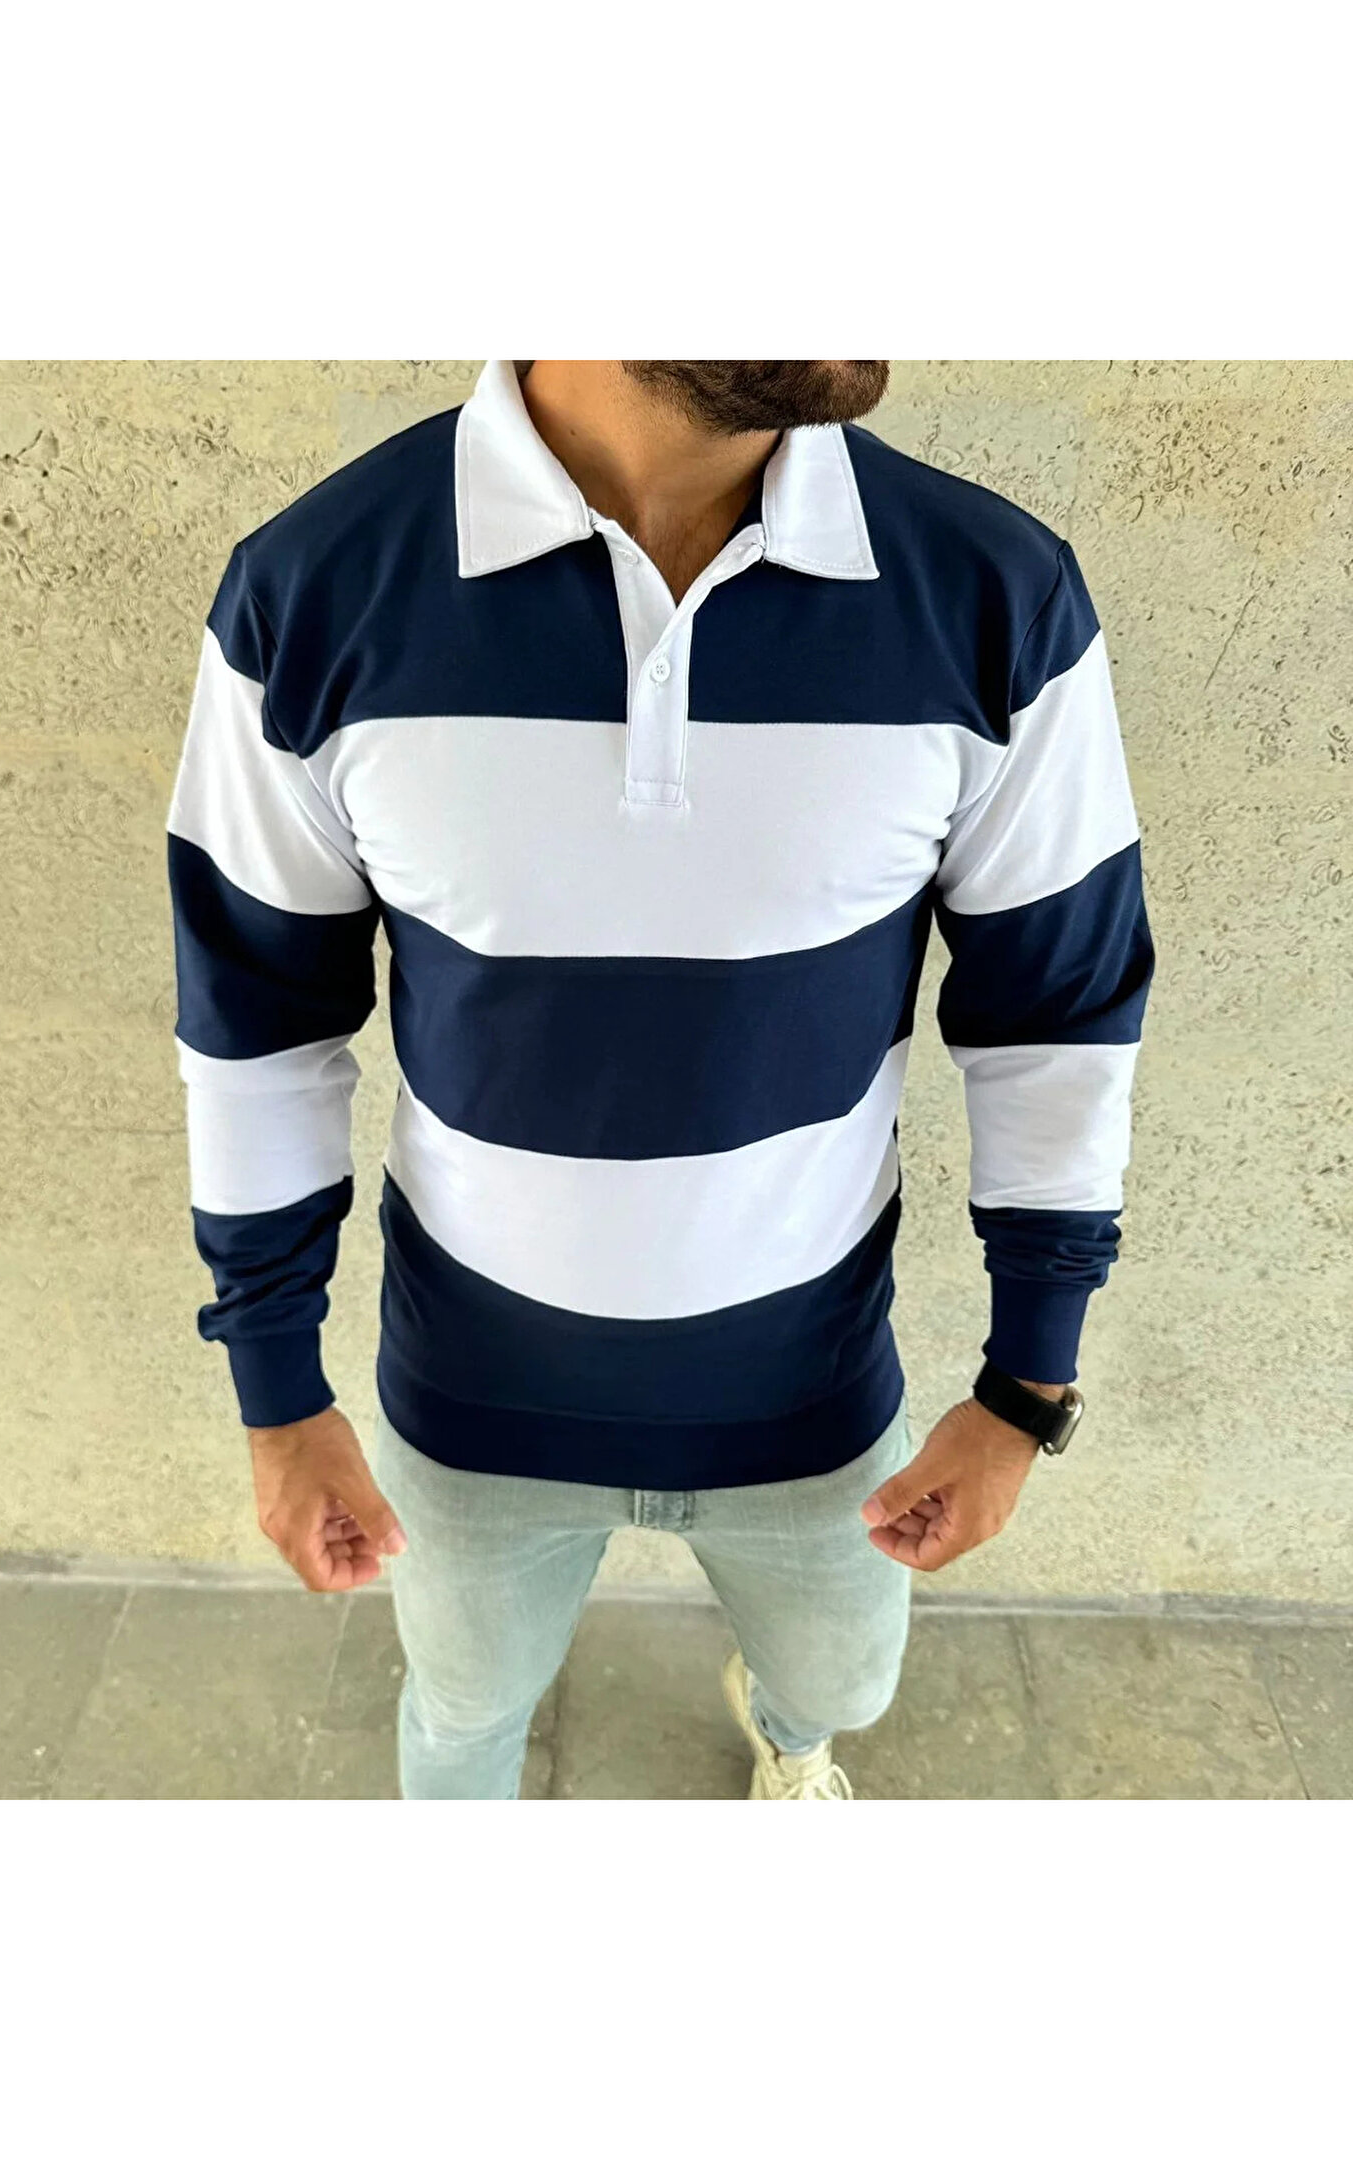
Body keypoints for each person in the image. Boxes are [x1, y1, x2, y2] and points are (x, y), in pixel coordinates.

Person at [166, 360, 1154, 1800]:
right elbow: (258, 1030)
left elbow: (1053, 1026)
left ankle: (791, 1742)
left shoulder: (993, 596)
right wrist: (276, 1392)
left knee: (845, 1687)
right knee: (462, 1715)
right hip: (471, 1404)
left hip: (812, 1400)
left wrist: (1025, 1388)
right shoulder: (314, 592)